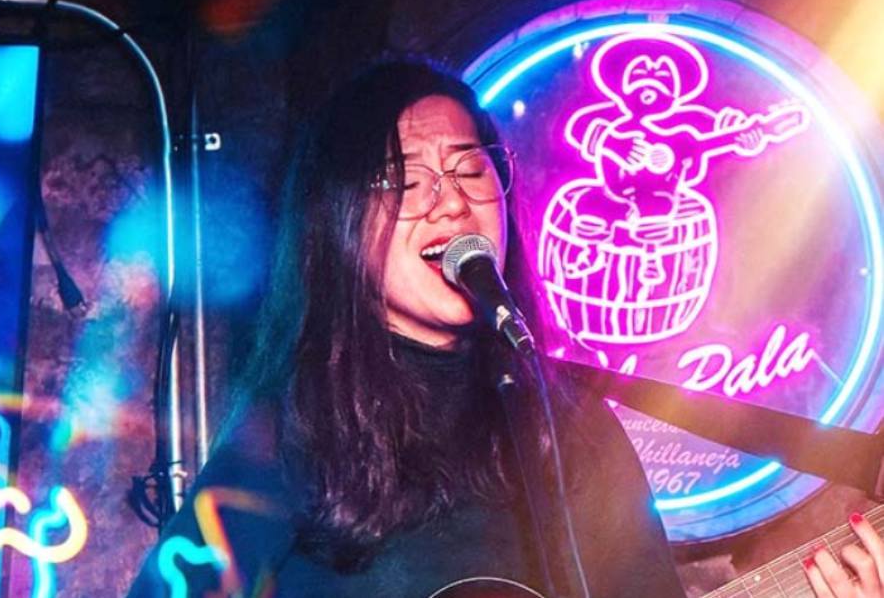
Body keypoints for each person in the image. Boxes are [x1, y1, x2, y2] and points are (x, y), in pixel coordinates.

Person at [125, 58, 881, 598]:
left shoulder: (568, 426)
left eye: (470, 168)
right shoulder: (292, 426)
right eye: (406, 178)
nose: (452, 201)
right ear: (341, 220)